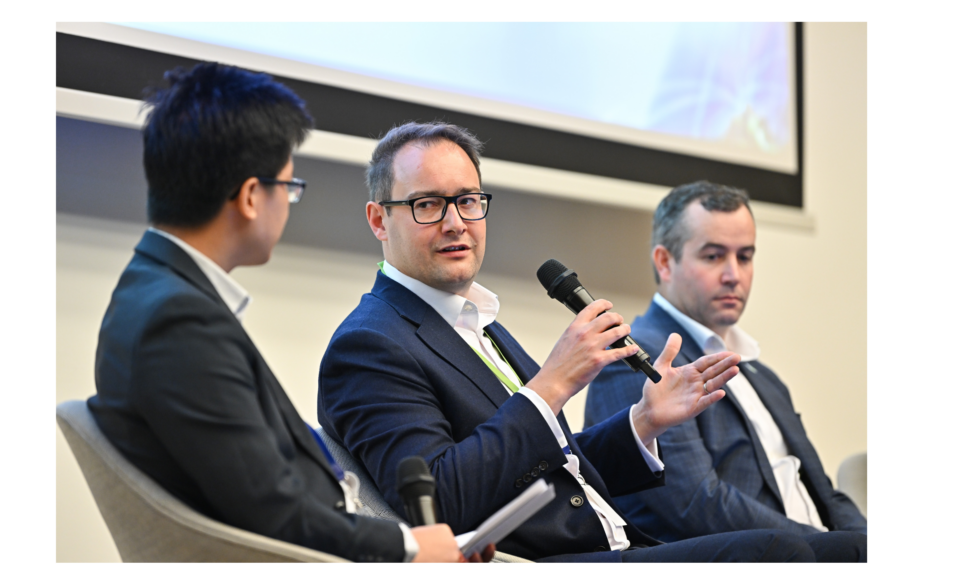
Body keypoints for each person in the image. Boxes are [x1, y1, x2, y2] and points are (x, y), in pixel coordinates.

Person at [317, 122, 828, 562]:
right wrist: (552, 384)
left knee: (846, 548)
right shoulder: (369, 345)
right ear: (379, 219)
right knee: (784, 553)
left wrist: (643, 421)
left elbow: (553, 467)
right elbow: (438, 503)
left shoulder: (474, 322)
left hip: (618, 548)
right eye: (428, 204)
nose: (456, 223)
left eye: (468, 201)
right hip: (552, 565)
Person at [88, 64, 491, 563]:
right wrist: (412, 547)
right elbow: (274, 515)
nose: (288, 201)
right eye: (287, 185)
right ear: (251, 197)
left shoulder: (156, 292)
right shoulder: (177, 321)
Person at [583, 181, 867, 555]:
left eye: (745, 257)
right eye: (714, 256)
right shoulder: (637, 357)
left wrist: (864, 543)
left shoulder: (764, 377)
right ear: (665, 262)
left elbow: (825, 493)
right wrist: (831, 549)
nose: (734, 274)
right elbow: (694, 503)